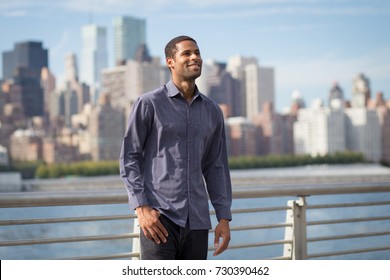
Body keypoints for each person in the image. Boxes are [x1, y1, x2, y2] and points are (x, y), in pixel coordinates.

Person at [119, 35, 232, 260]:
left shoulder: (212, 111)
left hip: (198, 223)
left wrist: (223, 217)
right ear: (170, 62)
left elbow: (216, 167)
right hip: (158, 221)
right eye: (187, 53)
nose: (195, 58)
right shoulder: (149, 103)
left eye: (197, 53)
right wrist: (141, 208)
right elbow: (129, 157)